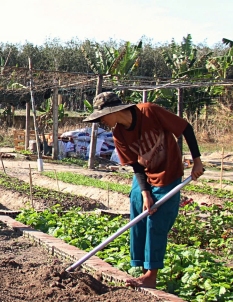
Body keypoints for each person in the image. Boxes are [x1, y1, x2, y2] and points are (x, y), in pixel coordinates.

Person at [84, 91, 204, 288]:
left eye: (102, 117)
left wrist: (197, 162)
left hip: (168, 172)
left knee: (156, 219)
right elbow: (136, 166)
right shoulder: (118, 134)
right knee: (138, 210)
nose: (102, 122)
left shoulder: (149, 112)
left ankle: (151, 275)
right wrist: (145, 193)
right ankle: (141, 268)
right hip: (145, 174)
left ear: (114, 111)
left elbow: (185, 128)